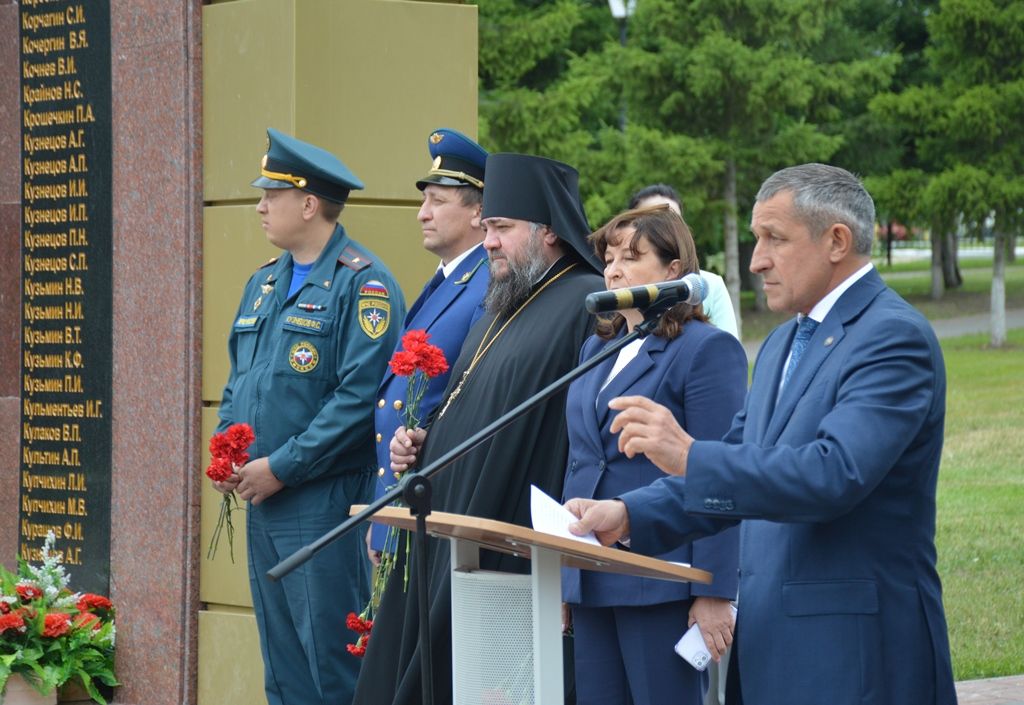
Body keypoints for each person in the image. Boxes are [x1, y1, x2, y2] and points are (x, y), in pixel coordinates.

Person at [568, 164, 956, 705]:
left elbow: (832, 474)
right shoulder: (779, 345)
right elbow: (737, 470)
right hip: (776, 644)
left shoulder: (892, 338)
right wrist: (632, 514)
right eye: (756, 239)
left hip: (854, 651)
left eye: (774, 238)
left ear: (837, 241)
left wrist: (688, 455)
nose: (757, 260)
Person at [353, 153, 605, 705]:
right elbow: (469, 399)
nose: (488, 241)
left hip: (508, 529)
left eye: (502, 228)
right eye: (487, 227)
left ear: (550, 234)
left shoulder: (583, 303)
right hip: (448, 519)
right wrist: (424, 443)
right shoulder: (503, 297)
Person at [211, 128, 404, 705]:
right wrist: (228, 451)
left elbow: (357, 399)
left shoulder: (363, 284)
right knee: (284, 668)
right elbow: (238, 382)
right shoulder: (263, 282)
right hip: (264, 499)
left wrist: (282, 467)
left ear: (310, 204)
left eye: (272, 194)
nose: (261, 205)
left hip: (320, 501)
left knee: (332, 669)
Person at [561, 206, 746, 705]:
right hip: (592, 573)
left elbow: (722, 474)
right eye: (609, 257)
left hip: (662, 579)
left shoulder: (706, 350)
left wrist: (713, 590)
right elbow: (583, 460)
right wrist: (565, 573)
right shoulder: (595, 349)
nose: (614, 269)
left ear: (673, 271)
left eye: (632, 257)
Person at [368, 128, 490, 561]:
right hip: (403, 501)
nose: (423, 213)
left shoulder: (488, 283)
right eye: (425, 201)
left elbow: (466, 398)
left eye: (438, 202)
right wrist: (382, 513)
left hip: (436, 506)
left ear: (479, 212)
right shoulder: (448, 279)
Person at [629, 184, 738, 339]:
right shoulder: (618, 284)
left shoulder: (708, 284)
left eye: (673, 221)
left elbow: (729, 348)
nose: (662, 229)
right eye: (651, 220)